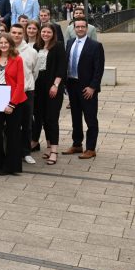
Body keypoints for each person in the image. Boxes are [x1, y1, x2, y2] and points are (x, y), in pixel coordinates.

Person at [63, 18, 105, 159]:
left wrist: (93, 87)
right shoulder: (70, 43)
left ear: (87, 28)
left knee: (90, 118)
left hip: (87, 88)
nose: (80, 29)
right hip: (72, 85)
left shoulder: (95, 46)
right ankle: (77, 144)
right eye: (77, 27)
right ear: (74, 28)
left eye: (82, 27)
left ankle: (91, 148)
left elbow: (98, 69)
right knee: (75, 117)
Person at [0, 34, 26, 175]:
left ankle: (11, 166)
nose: (3, 45)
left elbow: (20, 84)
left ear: (10, 44)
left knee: (13, 134)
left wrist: (12, 104)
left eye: (6, 42)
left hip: (14, 101)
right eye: (1, 42)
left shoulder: (18, 59)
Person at [32, 24, 66, 165]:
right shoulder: (36, 46)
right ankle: (47, 147)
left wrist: (56, 85)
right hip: (38, 86)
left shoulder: (58, 46)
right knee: (41, 116)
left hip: (52, 85)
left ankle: (54, 151)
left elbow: (62, 67)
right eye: (43, 31)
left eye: (48, 32)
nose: (45, 34)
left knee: (51, 118)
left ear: (53, 33)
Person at [9, 23, 39, 164]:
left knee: (27, 123)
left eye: (19, 33)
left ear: (23, 34)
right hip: (8, 92)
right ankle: (12, 150)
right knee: (11, 124)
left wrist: (26, 84)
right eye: (14, 33)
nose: (16, 35)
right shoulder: (5, 49)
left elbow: (35, 72)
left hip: (27, 92)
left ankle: (26, 152)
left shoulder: (31, 52)